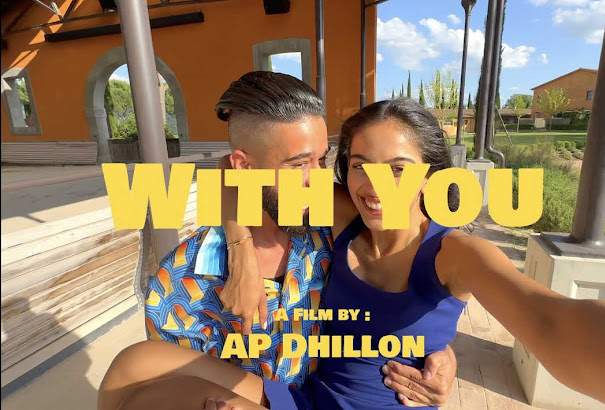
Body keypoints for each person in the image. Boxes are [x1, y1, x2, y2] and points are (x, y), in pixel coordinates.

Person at [132, 97, 605, 410]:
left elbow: (551, 321)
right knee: (135, 367)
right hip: (310, 399)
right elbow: (232, 171)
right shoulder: (347, 218)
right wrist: (241, 254)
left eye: (398, 168)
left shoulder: (452, 253)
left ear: (430, 175)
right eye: (359, 164)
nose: (374, 185)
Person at [97, 72, 456, 410]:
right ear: (245, 167)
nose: (316, 179)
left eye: (321, 159)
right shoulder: (180, 281)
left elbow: (402, 288)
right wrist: (239, 250)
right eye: (298, 164)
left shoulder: (332, 234)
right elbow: (166, 393)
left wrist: (439, 351)